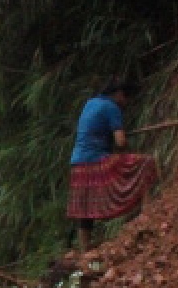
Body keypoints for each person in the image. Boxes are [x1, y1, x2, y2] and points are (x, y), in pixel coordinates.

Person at [68, 77, 159, 254]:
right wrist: (122, 137)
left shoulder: (90, 103)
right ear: (118, 94)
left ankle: (84, 249)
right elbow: (120, 142)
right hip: (97, 161)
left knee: (85, 208)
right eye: (126, 97)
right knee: (146, 162)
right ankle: (148, 215)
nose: (126, 102)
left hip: (78, 162)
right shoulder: (112, 107)